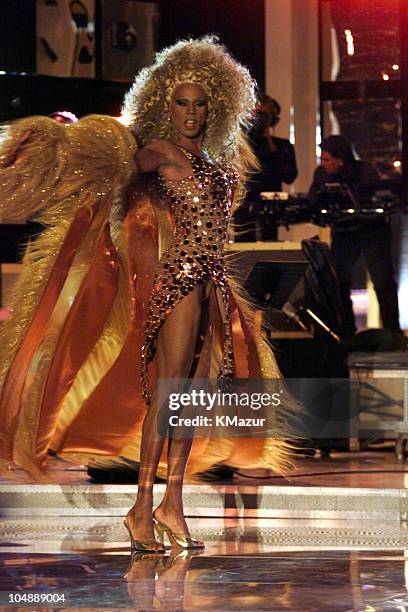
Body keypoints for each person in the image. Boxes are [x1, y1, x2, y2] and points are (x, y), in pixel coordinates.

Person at [0, 37, 295, 552]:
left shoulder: (215, 156)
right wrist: (67, 143)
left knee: (189, 399)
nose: (191, 112)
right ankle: (143, 505)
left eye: (201, 103)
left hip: (211, 286)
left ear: (215, 107)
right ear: (165, 103)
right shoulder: (157, 152)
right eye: (181, 102)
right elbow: (114, 167)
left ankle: (169, 504)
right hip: (178, 281)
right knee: (171, 394)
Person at [308, 135, 401, 336]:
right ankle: (346, 332)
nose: (323, 164)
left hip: (372, 230)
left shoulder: (364, 171)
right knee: (339, 280)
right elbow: (312, 201)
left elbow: (373, 201)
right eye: (322, 159)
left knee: (383, 281)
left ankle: (393, 332)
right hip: (343, 230)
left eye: (327, 160)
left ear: (341, 159)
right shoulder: (321, 174)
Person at [235, 95, 297, 241]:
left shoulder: (282, 146)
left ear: (272, 120)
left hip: (269, 210)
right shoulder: (241, 147)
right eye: (255, 115)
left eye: (263, 115)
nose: (258, 121)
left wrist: (272, 147)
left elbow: (290, 176)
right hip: (244, 207)